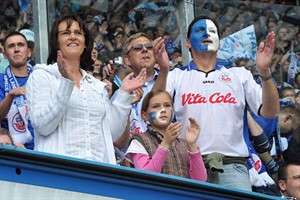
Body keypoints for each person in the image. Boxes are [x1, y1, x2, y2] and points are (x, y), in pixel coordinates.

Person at [152, 15, 279, 191]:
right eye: (199, 30)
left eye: (212, 31)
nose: (206, 33)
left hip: (233, 166)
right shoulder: (176, 76)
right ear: (187, 42)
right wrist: (164, 70)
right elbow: (153, 110)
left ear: (219, 43)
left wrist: (264, 72)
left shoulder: (239, 74)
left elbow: (270, 112)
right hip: (186, 163)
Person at [26, 14, 146, 164]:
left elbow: (112, 134)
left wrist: (124, 93)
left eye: (77, 33)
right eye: (65, 33)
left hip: (98, 174)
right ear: (56, 42)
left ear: (84, 43)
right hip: (58, 174)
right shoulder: (42, 76)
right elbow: (42, 126)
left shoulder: (96, 86)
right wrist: (66, 83)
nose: (72, 37)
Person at [125, 90, 207, 181]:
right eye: (155, 106)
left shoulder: (184, 144)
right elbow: (147, 176)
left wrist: (192, 145)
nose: (163, 110)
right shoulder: (139, 141)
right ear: (145, 115)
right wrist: (165, 144)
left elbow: (200, 179)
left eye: (167, 105)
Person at [0, 31, 34, 149]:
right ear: (5, 55)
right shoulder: (0, 80)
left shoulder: (41, 78)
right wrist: (10, 95)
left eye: (20, 45)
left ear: (29, 52)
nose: (16, 49)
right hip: (14, 151)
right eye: (11, 46)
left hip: (44, 149)